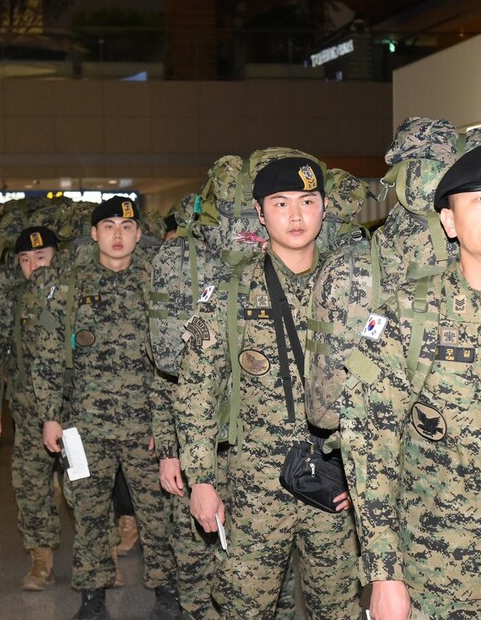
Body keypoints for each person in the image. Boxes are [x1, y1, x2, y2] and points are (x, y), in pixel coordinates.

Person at [329, 143, 481, 619]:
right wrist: (385, 575)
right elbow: (371, 449)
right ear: (450, 223)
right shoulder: (407, 316)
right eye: (480, 199)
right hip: (440, 577)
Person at [174, 156, 362, 618]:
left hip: (335, 485)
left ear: (324, 208)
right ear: (260, 213)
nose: (296, 216)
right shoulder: (231, 290)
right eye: (281, 203)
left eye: (307, 201)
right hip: (255, 486)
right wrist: (201, 479)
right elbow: (197, 388)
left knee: (337, 609)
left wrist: (364, 480)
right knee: (244, 609)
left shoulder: (353, 288)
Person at [30, 197, 179, 620]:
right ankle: (92, 594)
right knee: (90, 513)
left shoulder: (156, 285)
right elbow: (47, 355)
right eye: (109, 226)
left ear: (138, 234)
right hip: (83, 429)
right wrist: (51, 416)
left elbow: (172, 360)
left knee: (155, 513)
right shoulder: (70, 287)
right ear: (94, 233)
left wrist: (166, 426)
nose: (118, 235)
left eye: (127, 227)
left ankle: (166, 591)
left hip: (144, 425)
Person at [0, 226, 63, 591]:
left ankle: (101, 556)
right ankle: (40, 559)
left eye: (41, 258)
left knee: (85, 486)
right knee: (30, 485)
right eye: (26, 260)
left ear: (57, 257)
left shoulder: (74, 296)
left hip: (74, 411)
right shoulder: (9, 299)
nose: (34, 267)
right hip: (28, 410)